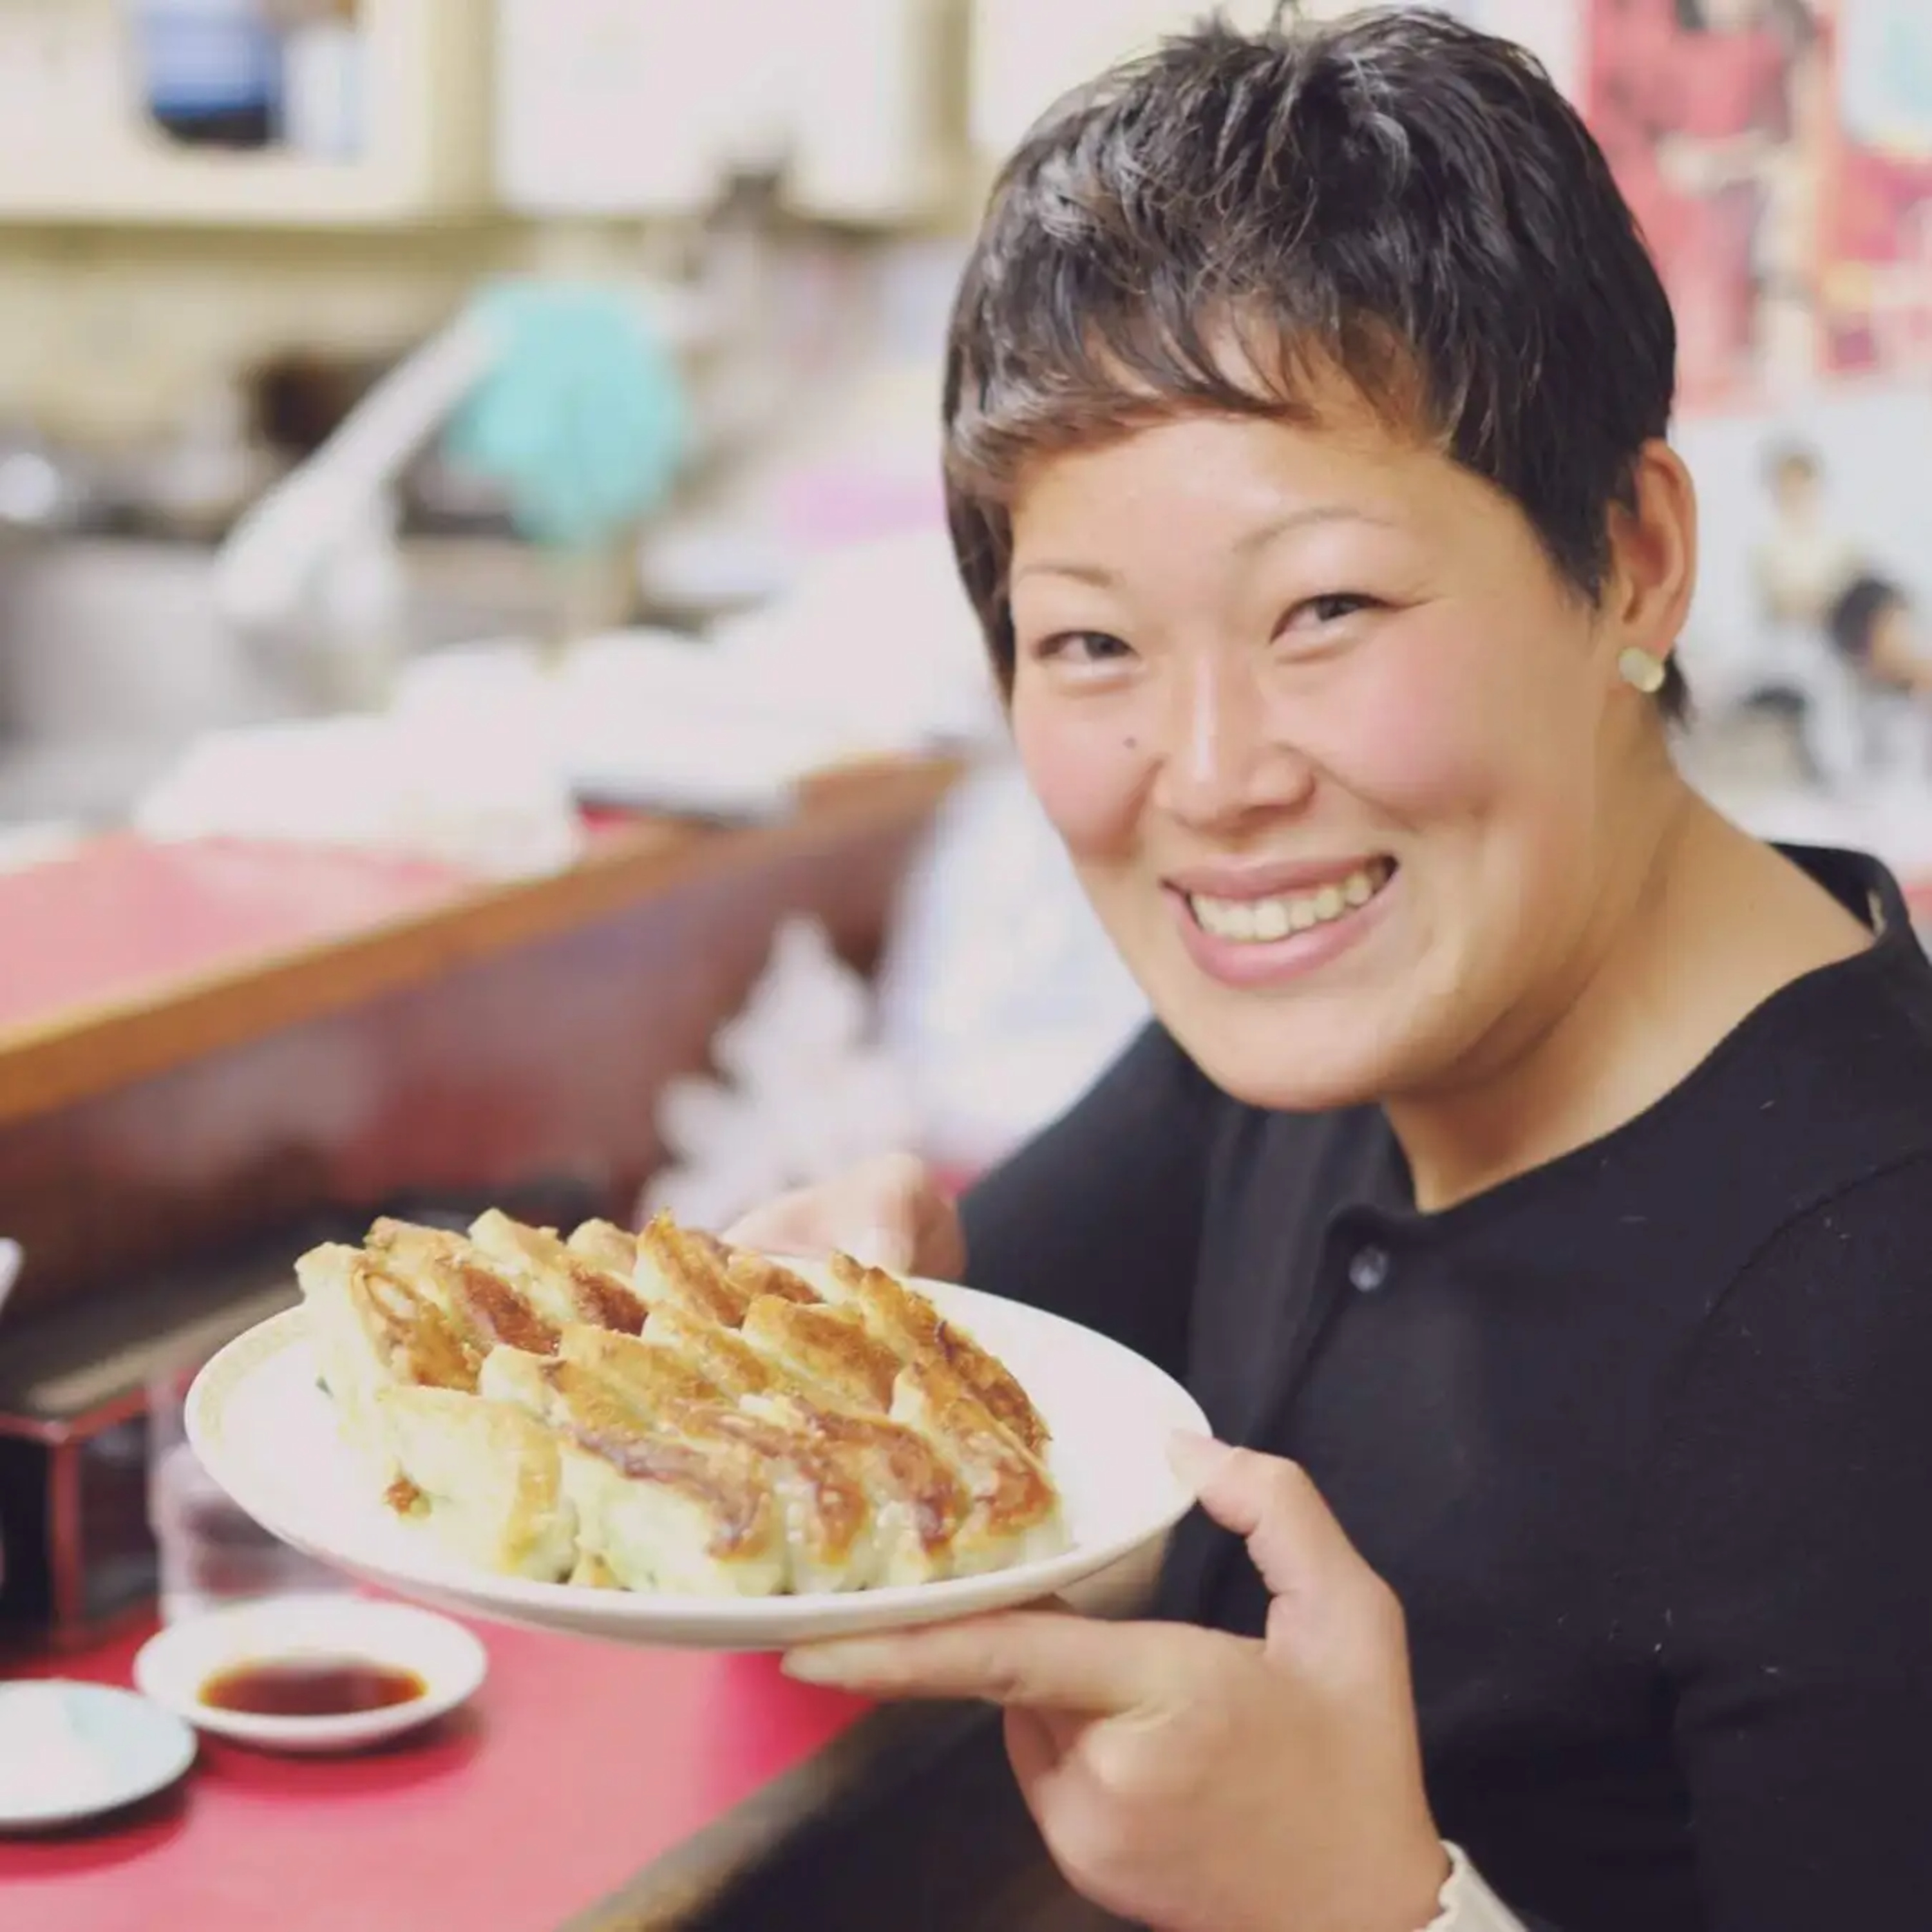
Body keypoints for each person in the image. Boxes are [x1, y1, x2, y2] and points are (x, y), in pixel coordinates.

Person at [734, 13, 1932, 1932]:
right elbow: (973, 1423)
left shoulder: (1874, 1316)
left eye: (1329, 610)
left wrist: (1376, 1909)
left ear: (1628, 556)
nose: (1213, 783)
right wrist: (836, 1333)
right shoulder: (1303, 1029)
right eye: (1095, 647)